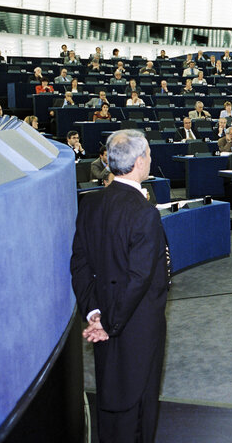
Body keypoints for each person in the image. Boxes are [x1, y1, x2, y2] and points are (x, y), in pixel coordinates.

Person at [70, 129, 169, 441]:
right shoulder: (144, 213)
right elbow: (140, 278)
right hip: (136, 326)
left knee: (110, 397)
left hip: (104, 318)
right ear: (140, 161)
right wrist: (110, 323)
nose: (150, 160)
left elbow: (79, 263)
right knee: (139, 405)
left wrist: (95, 313)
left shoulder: (90, 204)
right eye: (149, 155)